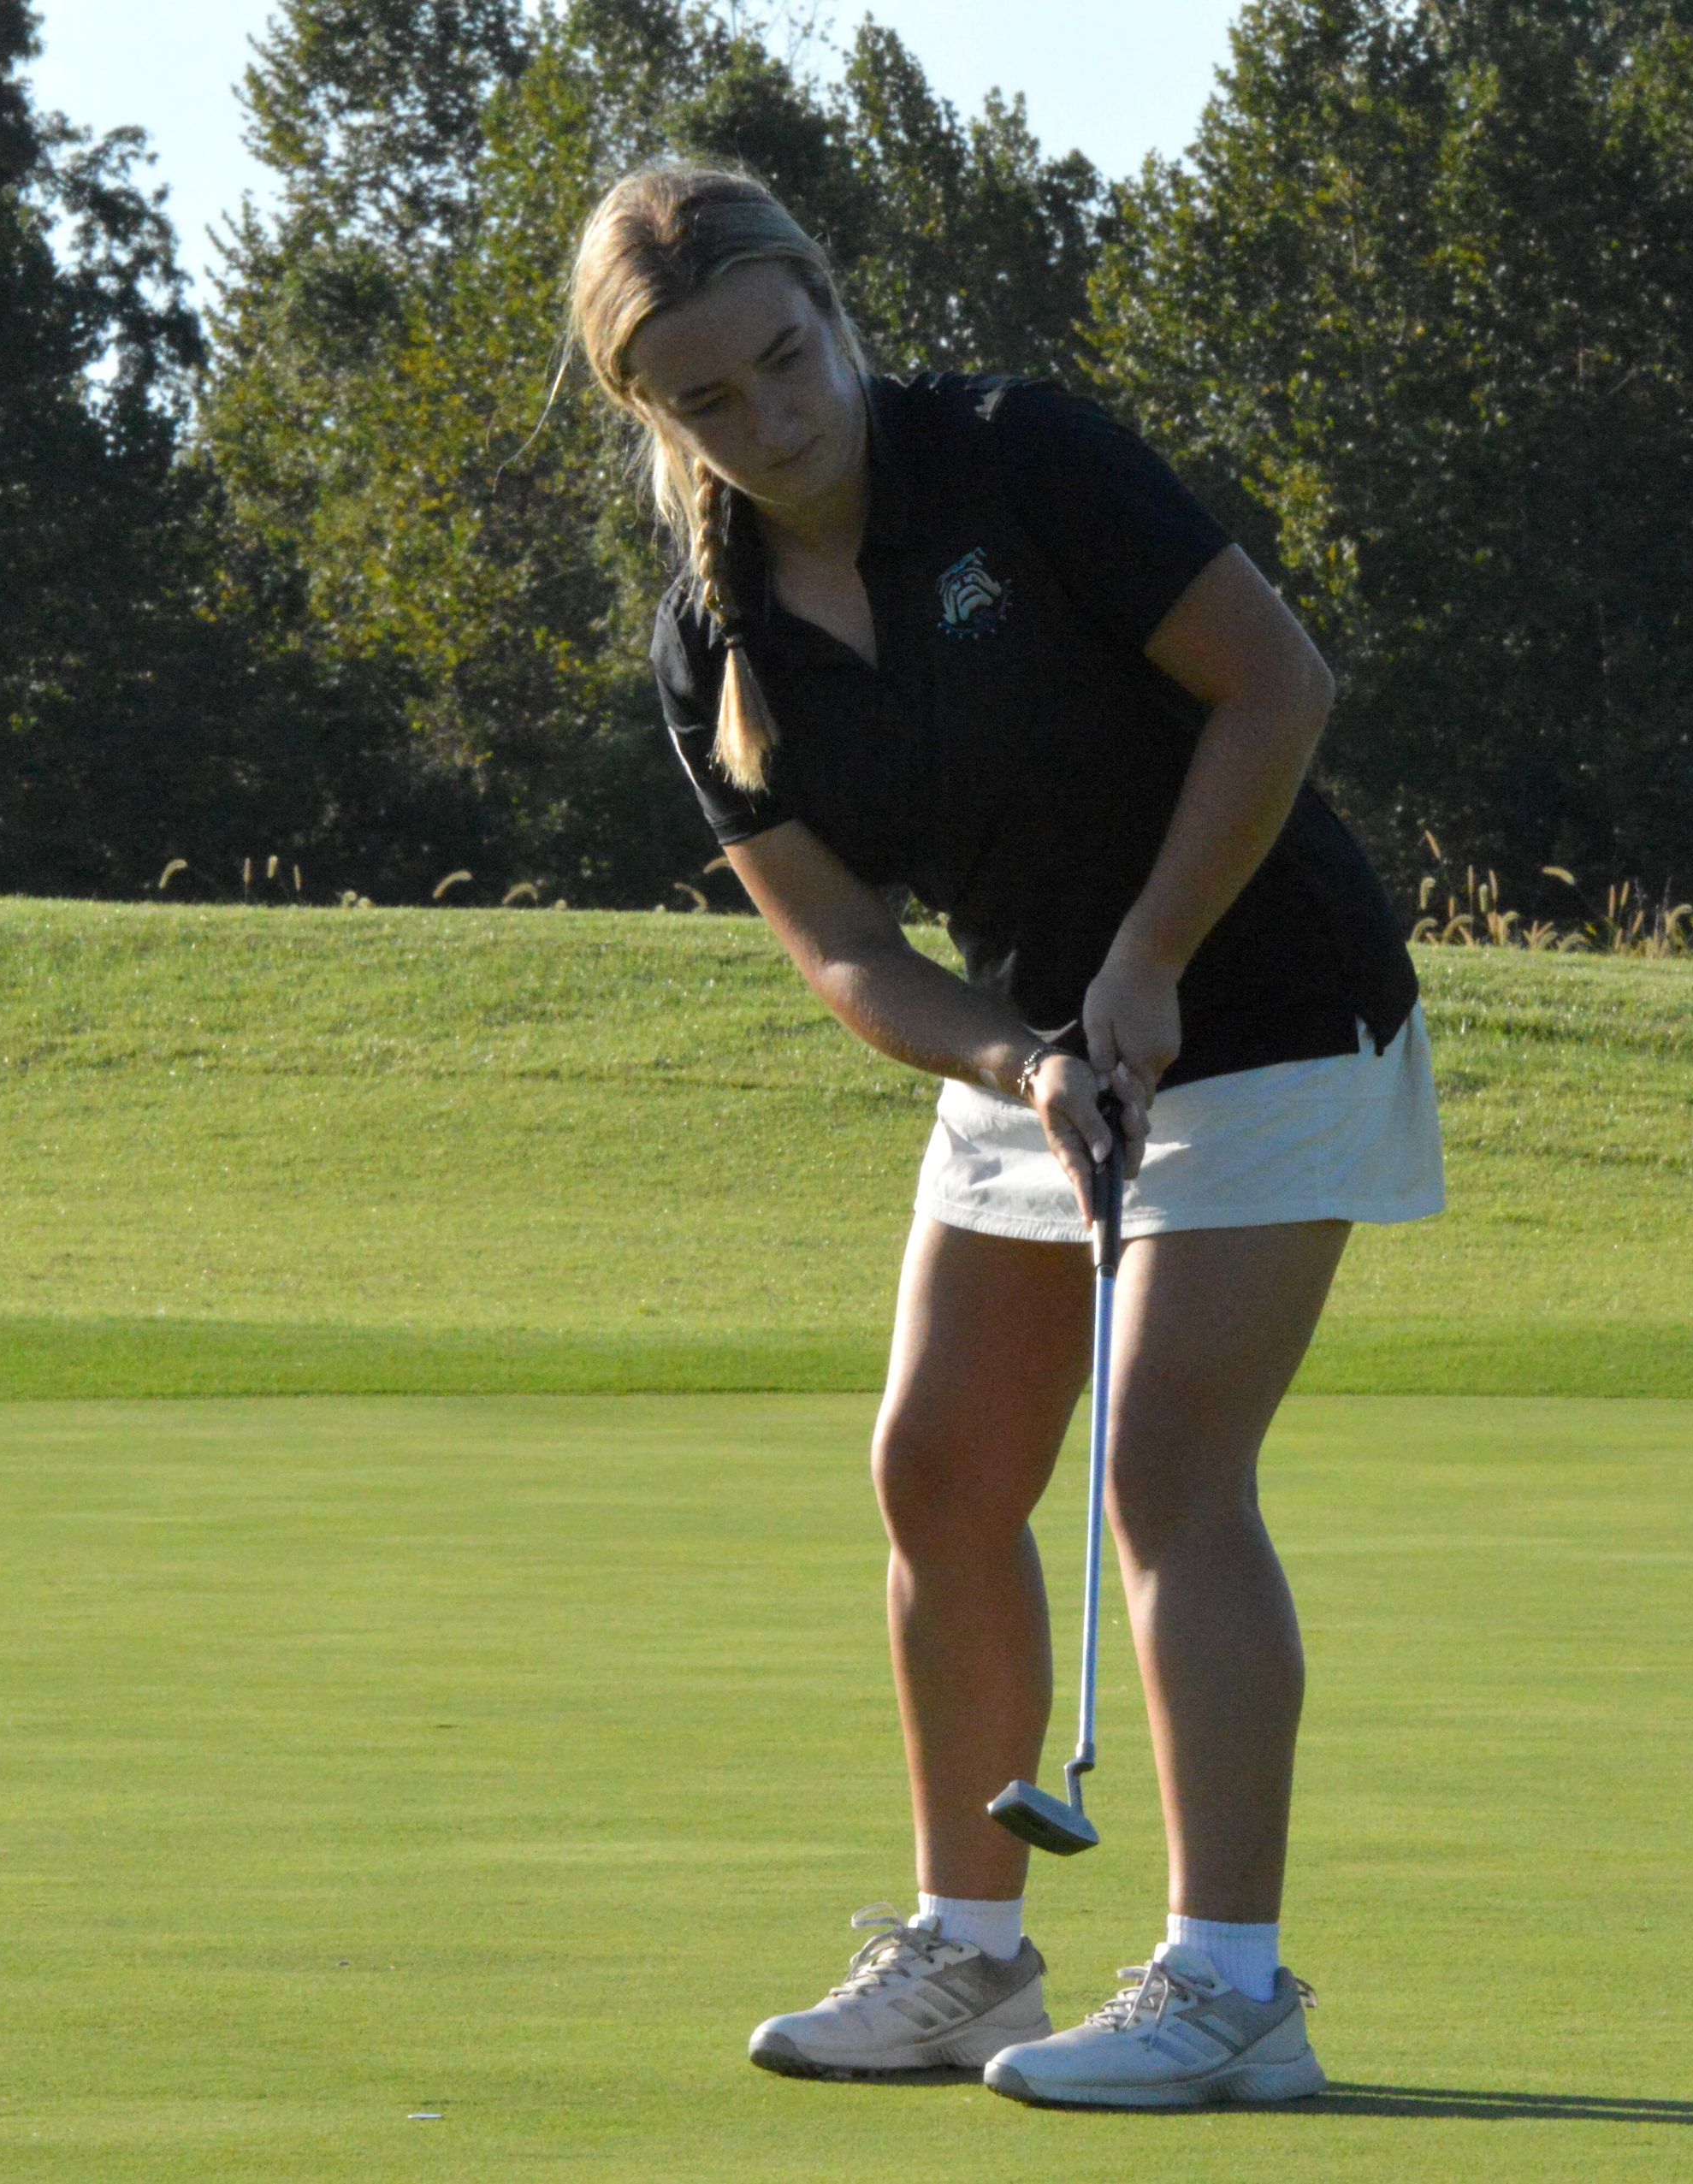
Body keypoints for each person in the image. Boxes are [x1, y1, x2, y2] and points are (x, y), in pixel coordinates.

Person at [568, 161, 1443, 2111]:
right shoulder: (713, 653)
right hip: (1045, 1039)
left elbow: (1278, 686)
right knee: (939, 1463)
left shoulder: (1022, 458)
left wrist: (1145, 960)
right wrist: (1021, 1057)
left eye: (788, 360)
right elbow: (854, 955)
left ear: (829, 307)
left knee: (1164, 1472)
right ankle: (968, 1947)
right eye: (708, 398)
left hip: (1275, 997)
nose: (771, 417)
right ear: (655, 416)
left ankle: (1234, 1986)